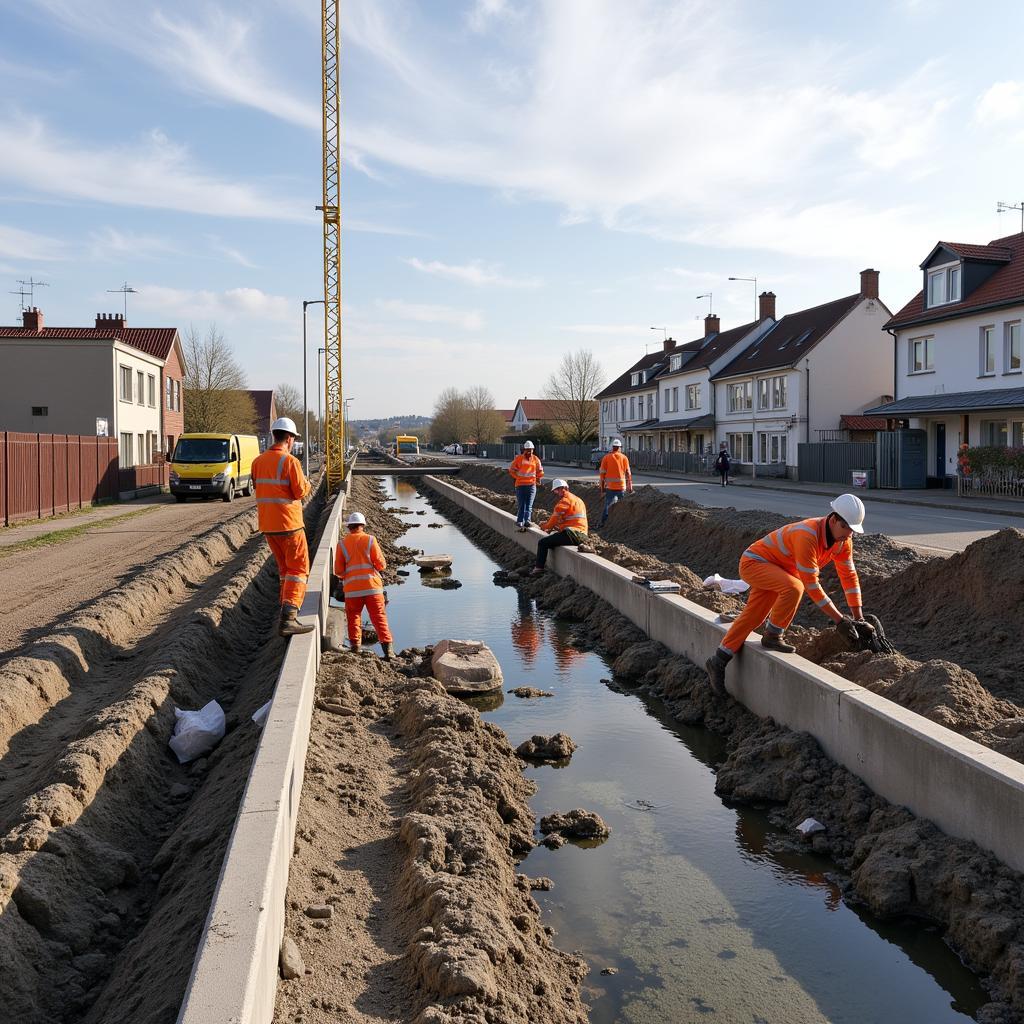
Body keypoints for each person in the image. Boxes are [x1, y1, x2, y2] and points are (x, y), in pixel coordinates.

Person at [704, 494, 875, 696]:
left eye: (853, 531)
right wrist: (839, 620)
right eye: (846, 528)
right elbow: (811, 584)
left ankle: (718, 660)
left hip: (778, 570)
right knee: (795, 587)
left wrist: (858, 617)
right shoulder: (808, 535)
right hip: (754, 563)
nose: (849, 535)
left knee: (754, 616)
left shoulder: (843, 542)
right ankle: (774, 635)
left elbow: (849, 577)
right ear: (833, 519)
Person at [253, 417, 315, 637]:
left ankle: (284, 610)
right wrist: (307, 483)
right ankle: (289, 617)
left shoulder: (258, 462)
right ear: (289, 439)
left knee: (285, 571)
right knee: (298, 569)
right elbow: (299, 491)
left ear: (274, 436)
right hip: (289, 524)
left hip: (269, 525)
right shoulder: (290, 462)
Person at [332, 511, 394, 659]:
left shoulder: (342, 544)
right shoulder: (370, 540)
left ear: (349, 527)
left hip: (352, 591)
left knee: (353, 617)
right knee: (379, 618)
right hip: (373, 588)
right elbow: (381, 565)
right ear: (363, 526)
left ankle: (355, 648)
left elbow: (338, 570)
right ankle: (389, 652)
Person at [530, 478, 589, 576]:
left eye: (556, 490)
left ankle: (538, 569)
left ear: (562, 489)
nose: (556, 493)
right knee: (554, 538)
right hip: (582, 534)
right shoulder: (578, 499)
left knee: (543, 543)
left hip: (573, 535)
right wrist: (555, 526)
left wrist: (544, 526)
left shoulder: (563, 502)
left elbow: (550, 525)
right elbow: (569, 520)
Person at [509, 440, 544, 531]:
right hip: (520, 486)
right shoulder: (519, 459)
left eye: (531, 450)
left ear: (533, 450)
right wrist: (517, 477)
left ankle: (527, 521)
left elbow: (540, 470)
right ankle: (520, 521)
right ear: (524, 450)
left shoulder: (536, 459)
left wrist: (538, 479)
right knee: (522, 505)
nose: (529, 451)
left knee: (529, 505)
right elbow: (512, 470)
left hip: (531, 485)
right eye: (527, 450)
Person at [598, 438, 633, 527]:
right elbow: (628, 473)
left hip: (610, 488)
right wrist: (630, 487)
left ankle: (603, 523)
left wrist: (602, 490)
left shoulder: (606, 458)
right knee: (622, 507)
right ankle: (622, 523)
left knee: (607, 506)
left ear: (612, 447)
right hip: (622, 487)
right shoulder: (624, 458)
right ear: (620, 447)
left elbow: (602, 475)